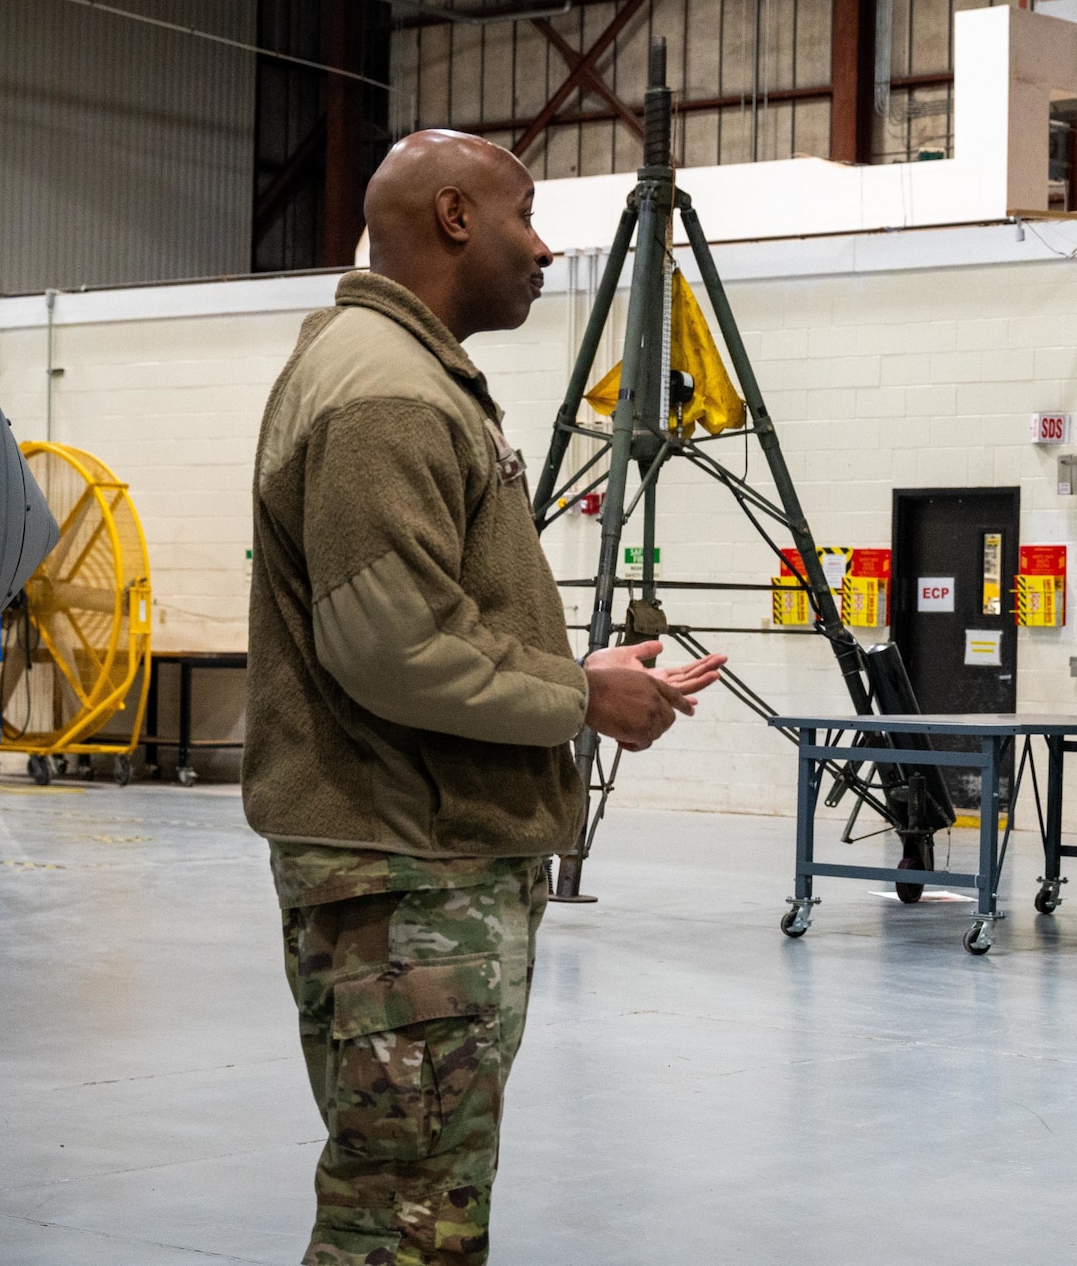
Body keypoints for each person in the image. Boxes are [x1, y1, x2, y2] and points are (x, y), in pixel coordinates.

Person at [244, 129, 725, 1265]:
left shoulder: (406, 374)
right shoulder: (387, 392)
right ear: (455, 218)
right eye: (526, 214)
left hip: (425, 861)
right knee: (405, 1217)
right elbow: (392, 646)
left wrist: (581, 681)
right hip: (409, 868)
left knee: (416, 1193)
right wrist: (580, 694)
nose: (545, 244)